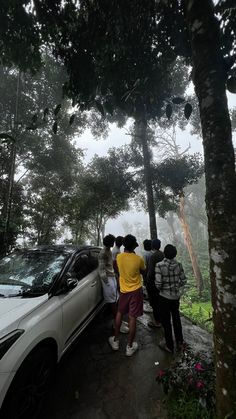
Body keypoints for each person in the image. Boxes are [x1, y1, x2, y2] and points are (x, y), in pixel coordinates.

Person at [108, 234, 145, 356]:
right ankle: (129, 347)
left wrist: (122, 274)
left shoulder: (119, 257)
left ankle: (115, 341)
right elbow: (144, 271)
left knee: (119, 312)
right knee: (132, 317)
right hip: (136, 291)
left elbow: (114, 267)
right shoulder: (138, 259)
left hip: (124, 291)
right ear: (134, 246)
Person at [155, 244, 186, 353]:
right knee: (176, 319)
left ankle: (169, 346)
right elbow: (184, 281)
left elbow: (158, 284)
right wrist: (177, 289)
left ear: (164, 253)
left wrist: (164, 288)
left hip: (164, 297)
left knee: (166, 321)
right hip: (175, 297)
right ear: (175, 254)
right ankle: (180, 342)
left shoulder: (159, 265)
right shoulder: (179, 265)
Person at [98, 234, 128, 334]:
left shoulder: (109, 251)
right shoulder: (103, 253)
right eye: (112, 241)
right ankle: (117, 325)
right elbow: (101, 270)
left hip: (112, 277)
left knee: (115, 300)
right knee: (112, 302)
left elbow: (110, 266)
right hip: (107, 280)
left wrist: (114, 277)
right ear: (109, 242)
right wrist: (107, 283)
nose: (113, 243)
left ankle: (118, 321)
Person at [146, 238, 164, 328]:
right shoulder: (162, 254)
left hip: (153, 282)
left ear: (152, 246)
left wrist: (147, 282)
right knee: (160, 301)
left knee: (154, 302)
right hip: (162, 282)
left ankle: (157, 322)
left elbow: (151, 272)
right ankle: (162, 319)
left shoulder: (153, 256)